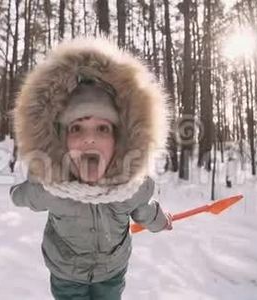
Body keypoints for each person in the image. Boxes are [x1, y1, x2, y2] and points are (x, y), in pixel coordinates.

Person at [10, 37, 172, 300]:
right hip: (66, 274)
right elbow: (24, 195)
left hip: (112, 272)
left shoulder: (133, 187)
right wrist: (24, 187)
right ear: (62, 140)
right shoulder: (50, 188)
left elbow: (145, 210)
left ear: (119, 140)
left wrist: (161, 221)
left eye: (102, 128)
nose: (89, 139)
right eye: (77, 128)